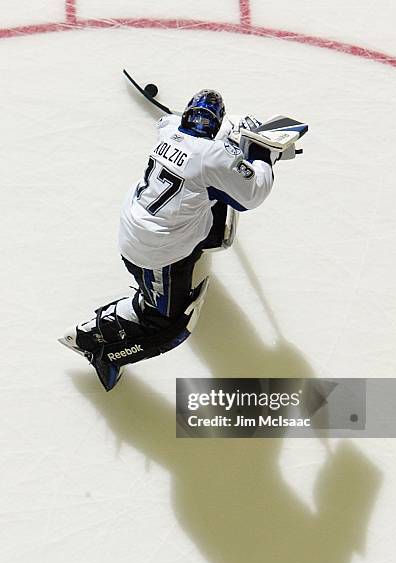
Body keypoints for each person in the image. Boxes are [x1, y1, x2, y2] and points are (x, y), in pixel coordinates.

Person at [59, 89, 304, 390]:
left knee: (208, 190)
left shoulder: (169, 128)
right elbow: (251, 194)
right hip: (157, 253)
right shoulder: (213, 156)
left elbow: (190, 131)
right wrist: (264, 153)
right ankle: (89, 340)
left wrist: (239, 130)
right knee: (168, 323)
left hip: (138, 226)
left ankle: (111, 324)